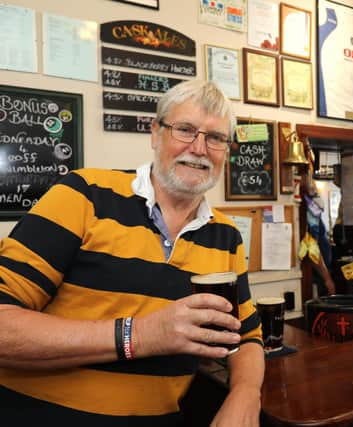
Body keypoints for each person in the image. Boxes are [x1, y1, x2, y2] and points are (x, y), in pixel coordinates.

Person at [0, 80, 265, 426]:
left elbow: (246, 337)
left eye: (215, 138)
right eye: (184, 130)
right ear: (155, 134)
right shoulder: (84, 194)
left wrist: (245, 394)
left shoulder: (226, 235)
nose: (200, 148)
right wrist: (140, 336)